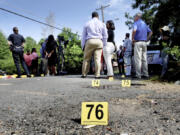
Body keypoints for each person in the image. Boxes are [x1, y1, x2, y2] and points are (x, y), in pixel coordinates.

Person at [81, 11, 108, 78]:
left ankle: (84, 74)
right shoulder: (102, 23)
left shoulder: (87, 23)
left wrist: (83, 46)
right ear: (98, 16)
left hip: (90, 41)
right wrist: (104, 44)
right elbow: (105, 36)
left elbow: (83, 36)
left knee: (86, 59)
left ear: (92, 16)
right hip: (99, 41)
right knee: (97, 59)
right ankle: (97, 75)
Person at [132, 13, 153, 79]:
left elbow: (134, 30)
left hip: (138, 42)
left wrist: (132, 38)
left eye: (134, 16)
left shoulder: (136, 23)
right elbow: (151, 32)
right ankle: (145, 74)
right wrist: (147, 39)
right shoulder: (144, 24)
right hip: (144, 43)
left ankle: (138, 75)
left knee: (138, 59)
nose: (134, 18)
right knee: (144, 59)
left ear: (137, 17)